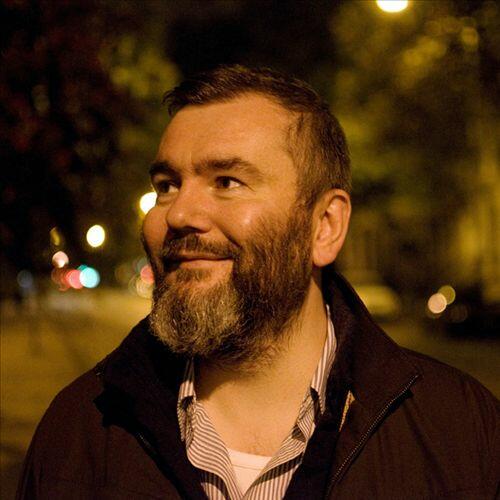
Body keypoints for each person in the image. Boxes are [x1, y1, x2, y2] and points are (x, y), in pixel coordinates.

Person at [17, 65, 499, 500]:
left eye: (227, 181)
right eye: (167, 185)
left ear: (324, 226)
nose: (179, 214)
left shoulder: (462, 431)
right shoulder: (78, 430)